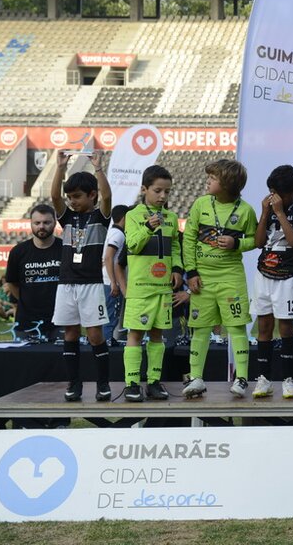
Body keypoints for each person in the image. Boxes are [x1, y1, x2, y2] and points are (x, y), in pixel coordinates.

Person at [182, 159, 259, 398]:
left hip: (231, 278)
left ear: (226, 184)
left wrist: (237, 243)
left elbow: (255, 240)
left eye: (212, 178)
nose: (207, 181)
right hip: (202, 279)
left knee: (236, 327)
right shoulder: (201, 204)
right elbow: (188, 239)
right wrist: (191, 272)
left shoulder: (245, 210)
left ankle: (242, 378)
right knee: (200, 328)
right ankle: (196, 378)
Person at [51, 150, 112, 402]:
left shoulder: (100, 216)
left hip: (91, 285)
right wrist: (60, 167)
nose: (72, 201)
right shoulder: (67, 217)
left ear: (92, 195)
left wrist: (98, 168)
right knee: (71, 334)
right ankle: (74, 383)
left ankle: (103, 383)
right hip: (66, 284)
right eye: (70, 197)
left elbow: (107, 196)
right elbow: (55, 196)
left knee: (95, 335)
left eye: (77, 196)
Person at [251, 165, 293, 399]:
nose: (274, 197)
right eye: (271, 192)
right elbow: (258, 242)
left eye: (279, 194)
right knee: (264, 327)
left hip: (287, 276)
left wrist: (279, 213)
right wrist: (264, 213)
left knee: (286, 326)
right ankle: (264, 379)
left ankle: (288, 379)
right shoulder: (268, 208)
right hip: (263, 273)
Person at [122, 165, 182, 402]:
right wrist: (148, 227)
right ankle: (131, 383)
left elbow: (175, 246)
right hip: (141, 289)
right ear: (144, 189)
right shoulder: (133, 215)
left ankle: (154, 382)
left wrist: (176, 269)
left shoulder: (171, 217)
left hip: (163, 289)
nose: (163, 196)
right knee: (135, 335)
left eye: (167, 191)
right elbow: (132, 245)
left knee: (158, 335)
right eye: (158, 191)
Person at [4, 204, 61, 342]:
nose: (41, 226)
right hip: (26, 322)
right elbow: (12, 282)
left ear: (54, 223)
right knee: (25, 356)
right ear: (31, 223)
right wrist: (27, 300)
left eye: (46, 222)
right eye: (37, 223)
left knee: (63, 356)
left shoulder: (65, 249)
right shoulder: (18, 252)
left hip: (60, 321)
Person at [101, 205, 128, 346]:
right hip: (111, 281)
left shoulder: (111, 232)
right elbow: (109, 257)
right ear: (124, 218)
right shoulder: (118, 234)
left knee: (108, 314)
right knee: (111, 315)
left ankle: (106, 340)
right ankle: (107, 343)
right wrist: (113, 282)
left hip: (107, 279)